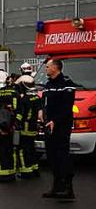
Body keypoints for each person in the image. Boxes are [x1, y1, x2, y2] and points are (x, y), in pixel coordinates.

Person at [41, 59, 76, 199]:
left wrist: (55, 121)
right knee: (51, 156)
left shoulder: (67, 84)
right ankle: (56, 186)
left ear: (55, 68)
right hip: (49, 125)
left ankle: (68, 188)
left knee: (63, 155)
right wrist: (41, 112)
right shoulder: (48, 84)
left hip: (61, 126)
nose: (46, 69)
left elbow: (66, 107)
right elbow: (44, 101)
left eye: (48, 67)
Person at [14, 75, 42, 179]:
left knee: (22, 149)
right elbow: (40, 113)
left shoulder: (24, 99)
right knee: (31, 148)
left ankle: (26, 171)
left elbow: (20, 114)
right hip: (34, 126)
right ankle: (35, 169)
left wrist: (16, 123)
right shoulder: (37, 97)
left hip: (25, 127)